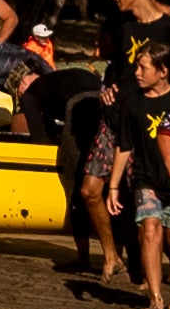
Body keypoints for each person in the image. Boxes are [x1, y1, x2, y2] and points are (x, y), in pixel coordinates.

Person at [106, 36, 170, 309]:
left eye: (143, 68)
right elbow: (124, 146)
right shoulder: (132, 103)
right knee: (150, 228)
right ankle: (155, 297)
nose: (137, 74)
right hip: (145, 179)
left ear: (163, 71)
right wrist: (114, 187)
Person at [15, 46, 112, 274]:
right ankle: (119, 251)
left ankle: (84, 257)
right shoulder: (57, 80)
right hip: (105, 100)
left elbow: (38, 138)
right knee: (106, 181)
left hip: (79, 106)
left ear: (24, 85)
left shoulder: (29, 94)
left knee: (75, 179)